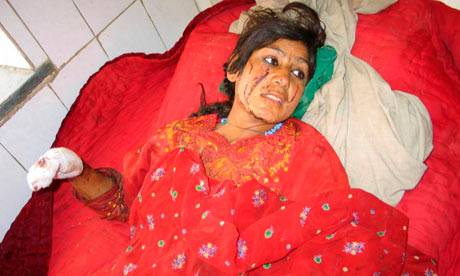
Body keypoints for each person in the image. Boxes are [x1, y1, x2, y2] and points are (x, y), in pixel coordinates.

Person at [27, 2, 437, 275]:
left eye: (298, 73)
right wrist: (77, 170)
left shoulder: (308, 149)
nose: (283, 78)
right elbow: (129, 205)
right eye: (271, 61)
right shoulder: (179, 137)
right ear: (236, 70)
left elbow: (327, 239)